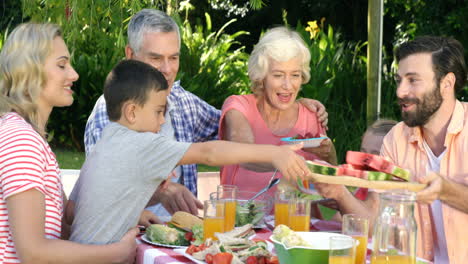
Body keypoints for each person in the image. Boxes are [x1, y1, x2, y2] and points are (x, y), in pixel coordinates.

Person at [83, 9, 329, 218]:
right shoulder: (109, 116)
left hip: (186, 244)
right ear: (130, 55)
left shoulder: (183, 103)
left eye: (174, 57)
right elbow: (99, 200)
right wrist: (160, 193)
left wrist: (290, 100)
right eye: (156, 58)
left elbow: (232, 132)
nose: (167, 70)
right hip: (130, 244)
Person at [69, 59, 310, 244]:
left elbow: (73, 210)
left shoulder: (107, 142)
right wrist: (274, 154)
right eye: (158, 111)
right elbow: (209, 153)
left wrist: (133, 216)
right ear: (131, 112)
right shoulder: (141, 144)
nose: (162, 121)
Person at [314, 36, 468, 263]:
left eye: (413, 80)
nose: (400, 91)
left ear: (446, 83)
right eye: (399, 80)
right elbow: (374, 221)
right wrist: (338, 192)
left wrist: (446, 191)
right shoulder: (396, 138)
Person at [0, 23, 137, 264]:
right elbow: (33, 253)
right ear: (29, 70)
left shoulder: (30, 138)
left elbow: (69, 221)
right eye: (62, 65)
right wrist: (117, 254)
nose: (73, 74)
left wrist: (133, 213)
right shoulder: (21, 140)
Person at [219, 26, 337, 198]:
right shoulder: (238, 107)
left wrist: (330, 154)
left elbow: (329, 190)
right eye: (278, 75)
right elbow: (242, 153)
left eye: (295, 75)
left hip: (296, 221)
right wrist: (281, 159)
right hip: (242, 221)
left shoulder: (311, 116)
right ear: (261, 76)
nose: (288, 86)